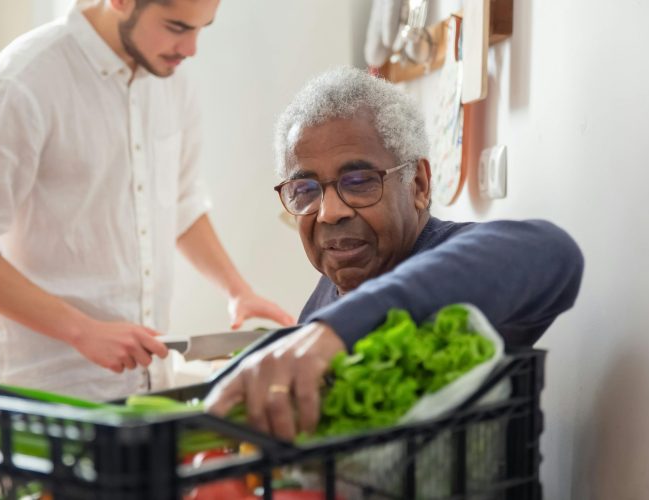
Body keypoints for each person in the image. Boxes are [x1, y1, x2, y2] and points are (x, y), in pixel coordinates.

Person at [0, 0, 294, 400]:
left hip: (150, 385)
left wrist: (238, 292)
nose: (191, 49)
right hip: (46, 395)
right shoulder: (22, 81)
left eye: (202, 28)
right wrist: (83, 330)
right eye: (176, 27)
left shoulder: (171, 77)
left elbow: (180, 203)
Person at [206, 67, 584, 440]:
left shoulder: (458, 264)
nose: (329, 212)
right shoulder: (326, 295)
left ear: (418, 184)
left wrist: (338, 330)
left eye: (359, 182)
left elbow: (553, 252)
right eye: (305, 190)